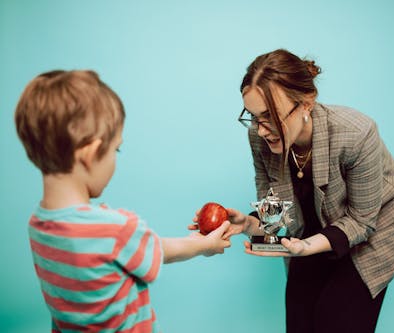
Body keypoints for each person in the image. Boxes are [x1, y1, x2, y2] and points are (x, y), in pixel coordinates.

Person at [194, 49, 394, 333]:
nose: (261, 130)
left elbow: (361, 221)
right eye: (253, 116)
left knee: (335, 318)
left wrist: (305, 247)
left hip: (377, 224)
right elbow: (275, 210)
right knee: (300, 318)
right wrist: (249, 224)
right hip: (310, 226)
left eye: (270, 116)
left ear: (306, 104)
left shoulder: (357, 133)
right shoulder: (259, 137)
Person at [14, 70, 231, 333]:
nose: (116, 158)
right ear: (91, 154)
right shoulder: (115, 228)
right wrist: (203, 245)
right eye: (116, 149)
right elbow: (158, 250)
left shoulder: (37, 225)